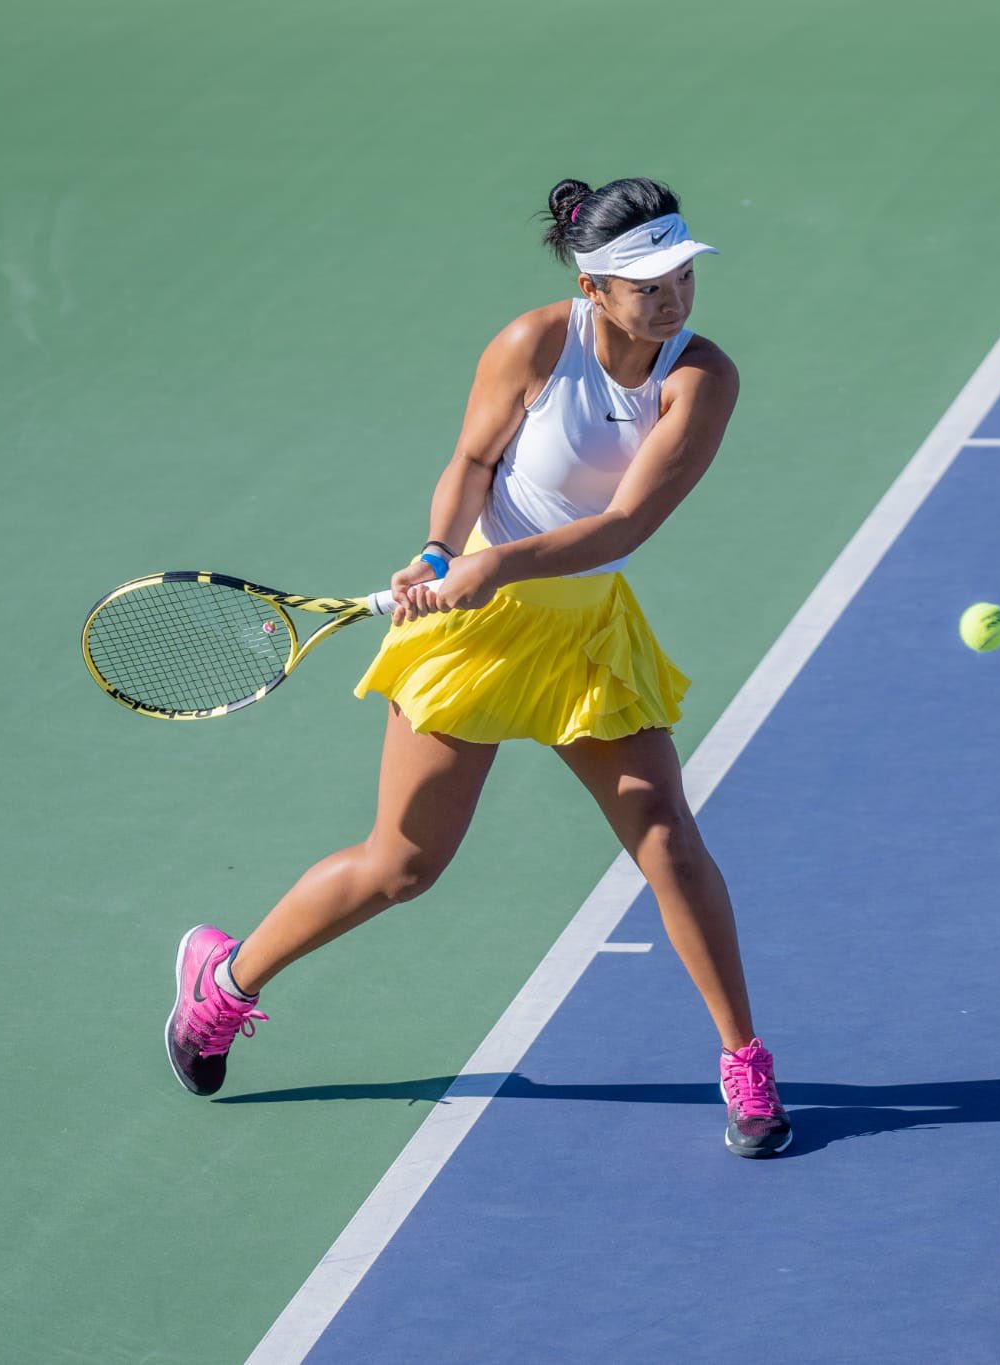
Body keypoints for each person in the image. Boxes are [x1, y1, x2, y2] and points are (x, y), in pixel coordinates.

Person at [164, 176, 792, 1159]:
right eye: (643, 282)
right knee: (402, 866)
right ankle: (226, 981)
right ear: (592, 288)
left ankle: (744, 1063)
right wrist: (433, 549)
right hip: (469, 636)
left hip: (583, 634)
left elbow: (626, 522)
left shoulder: (699, 378)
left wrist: (493, 563)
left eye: (678, 273)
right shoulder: (531, 345)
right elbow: (470, 464)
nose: (669, 296)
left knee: (665, 838)